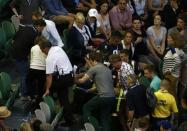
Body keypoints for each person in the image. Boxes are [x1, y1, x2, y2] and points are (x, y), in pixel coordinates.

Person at [37, 36, 75, 126]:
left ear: (46, 48)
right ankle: (69, 118)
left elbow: (49, 76)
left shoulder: (49, 58)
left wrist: (47, 89)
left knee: (45, 89)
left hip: (63, 79)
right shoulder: (57, 48)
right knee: (64, 98)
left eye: (42, 50)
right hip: (70, 76)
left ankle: (44, 111)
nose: (43, 52)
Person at [75, 52, 115, 131]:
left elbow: (82, 81)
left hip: (103, 96)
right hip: (112, 97)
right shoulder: (107, 69)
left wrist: (74, 79)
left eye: (89, 61)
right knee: (104, 118)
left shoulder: (94, 68)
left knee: (86, 107)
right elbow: (104, 83)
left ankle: (88, 127)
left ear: (92, 60)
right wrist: (92, 89)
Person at [12, 25, 37, 98]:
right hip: (21, 56)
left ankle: (24, 91)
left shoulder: (25, 27)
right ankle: (24, 94)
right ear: (39, 27)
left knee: (23, 73)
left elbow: (13, 40)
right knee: (24, 75)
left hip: (14, 52)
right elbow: (32, 49)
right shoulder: (34, 34)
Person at [26, 37, 46, 103]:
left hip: (33, 68)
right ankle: (39, 100)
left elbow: (31, 59)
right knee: (41, 85)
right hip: (42, 69)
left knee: (28, 81)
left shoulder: (33, 48)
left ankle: (31, 96)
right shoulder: (46, 47)